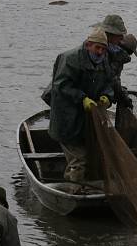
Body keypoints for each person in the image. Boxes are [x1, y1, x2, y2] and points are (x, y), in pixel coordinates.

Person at [47, 26, 115, 183]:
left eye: (103, 49)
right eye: (97, 47)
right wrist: (82, 98)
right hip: (66, 119)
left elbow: (109, 83)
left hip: (88, 120)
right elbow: (61, 85)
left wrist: (107, 96)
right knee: (79, 160)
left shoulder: (103, 61)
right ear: (88, 45)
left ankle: (73, 182)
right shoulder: (70, 59)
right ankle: (74, 190)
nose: (100, 52)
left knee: (91, 156)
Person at [111, 33, 137, 109]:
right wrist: (123, 95)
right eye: (131, 53)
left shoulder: (114, 54)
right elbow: (113, 80)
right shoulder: (117, 58)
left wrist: (120, 89)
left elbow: (115, 79)